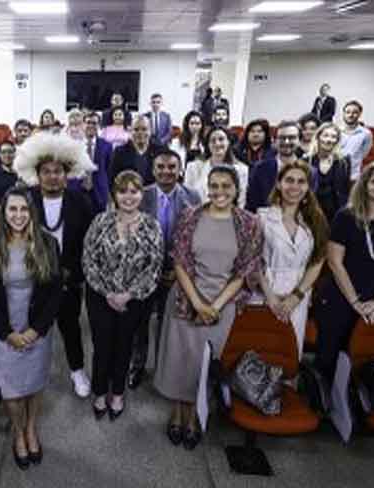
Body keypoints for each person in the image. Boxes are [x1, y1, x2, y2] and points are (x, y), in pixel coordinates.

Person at [154, 165, 263, 450]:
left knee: (202, 365)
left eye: (226, 186)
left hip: (221, 306)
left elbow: (244, 272)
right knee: (179, 360)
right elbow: (178, 261)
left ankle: (194, 417)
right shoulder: (191, 215)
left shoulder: (249, 223)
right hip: (185, 299)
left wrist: (213, 306)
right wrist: (197, 303)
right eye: (214, 186)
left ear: (237, 189)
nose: (219, 192)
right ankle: (177, 413)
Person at [0, 187, 62, 470]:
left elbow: (54, 294)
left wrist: (34, 331)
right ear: (3, 213)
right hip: (5, 331)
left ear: (32, 212)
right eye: (12, 209)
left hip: (37, 329)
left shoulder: (48, 244)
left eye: (23, 209)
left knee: (34, 383)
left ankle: (31, 428)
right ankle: (18, 431)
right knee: (13, 389)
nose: (18, 215)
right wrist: (7, 333)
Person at [13, 132, 96, 398]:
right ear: (38, 174)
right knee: (32, 326)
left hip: (69, 277)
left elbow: (90, 243)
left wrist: (75, 272)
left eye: (58, 171)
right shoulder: (25, 200)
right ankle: (28, 372)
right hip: (33, 276)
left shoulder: (81, 202)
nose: (52, 176)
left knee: (70, 326)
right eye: (46, 171)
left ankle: (77, 371)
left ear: (66, 174)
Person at [314, 160, 374, 383]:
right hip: (341, 297)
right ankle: (322, 407)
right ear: (364, 184)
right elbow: (335, 262)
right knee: (328, 360)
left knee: (364, 362)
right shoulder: (346, 217)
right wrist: (355, 302)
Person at [83, 170, 163, 420]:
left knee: (124, 346)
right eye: (122, 191)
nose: (128, 197)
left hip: (134, 300)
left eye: (134, 191)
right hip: (100, 297)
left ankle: (117, 393)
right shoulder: (100, 221)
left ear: (141, 194)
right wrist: (109, 293)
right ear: (114, 195)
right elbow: (88, 260)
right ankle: (99, 392)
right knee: (102, 345)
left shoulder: (152, 225)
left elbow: (155, 267)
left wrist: (127, 295)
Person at [128, 150, 202, 389]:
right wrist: (150, 270)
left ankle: (163, 369)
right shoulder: (141, 196)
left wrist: (179, 270)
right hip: (144, 272)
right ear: (153, 169)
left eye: (172, 167)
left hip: (177, 273)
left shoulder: (193, 197)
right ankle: (137, 365)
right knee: (139, 323)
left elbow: (196, 239)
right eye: (161, 166)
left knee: (168, 324)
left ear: (180, 170)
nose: (166, 171)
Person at [252, 161, 328, 360]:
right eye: (289, 180)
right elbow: (253, 261)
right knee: (261, 350)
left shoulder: (316, 219)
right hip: (266, 293)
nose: (295, 186)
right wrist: (270, 296)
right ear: (279, 184)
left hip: (298, 294)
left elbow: (317, 261)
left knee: (289, 351)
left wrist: (296, 296)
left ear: (308, 187)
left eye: (301, 181)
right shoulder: (262, 217)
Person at [246, 120, 314, 212]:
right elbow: (252, 204)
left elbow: (310, 205)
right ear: (274, 141)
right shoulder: (260, 168)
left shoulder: (310, 171)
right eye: (282, 138)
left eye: (291, 138)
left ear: (299, 141)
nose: (286, 142)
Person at [184, 126, 249, 208]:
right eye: (213, 140)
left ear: (228, 142)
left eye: (221, 139)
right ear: (208, 145)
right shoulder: (194, 167)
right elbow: (188, 199)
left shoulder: (242, 170)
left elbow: (241, 201)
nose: (217, 143)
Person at [307, 122, 351, 223]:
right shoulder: (306, 160)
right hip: (312, 211)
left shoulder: (344, 161)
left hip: (336, 212)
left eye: (333, 137)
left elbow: (345, 189)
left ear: (337, 140)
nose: (329, 140)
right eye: (325, 135)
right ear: (318, 137)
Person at [109, 116, 158, 186]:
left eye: (144, 129)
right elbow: (112, 180)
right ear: (130, 131)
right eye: (136, 129)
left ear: (150, 131)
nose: (140, 133)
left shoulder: (159, 151)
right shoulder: (119, 152)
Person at [77, 112, 112, 212]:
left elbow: (109, 171)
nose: (91, 126)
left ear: (99, 126)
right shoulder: (75, 144)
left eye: (94, 123)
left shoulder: (107, 146)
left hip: (99, 193)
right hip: (78, 191)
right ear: (83, 125)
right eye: (88, 122)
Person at [339, 100, 373, 181]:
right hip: (336, 174)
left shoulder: (366, 134)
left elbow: (364, 153)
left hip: (354, 176)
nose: (350, 115)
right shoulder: (336, 131)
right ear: (343, 113)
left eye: (355, 112)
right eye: (348, 112)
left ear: (360, 114)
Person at [171, 111, 206, 177]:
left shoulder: (205, 143)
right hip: (181, 176)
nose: (194, 126)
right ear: (187, 125)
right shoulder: (177, 142)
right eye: (192, 123)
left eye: (198, 124)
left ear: (202, 125)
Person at [0, 140, 20, 210]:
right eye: (3, 152)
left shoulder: (21, 172)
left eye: (10, 152)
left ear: (15, 153)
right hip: (0, 214)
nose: (7, 155)